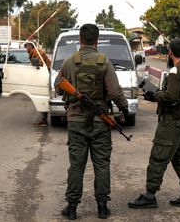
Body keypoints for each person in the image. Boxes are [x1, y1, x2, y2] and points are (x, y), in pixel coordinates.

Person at [55, 24, 129, 220]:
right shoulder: (104, 62)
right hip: (100, 122)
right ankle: (102, 207)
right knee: (102, 164)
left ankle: (71, 208)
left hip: (76, 121)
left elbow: (58, 87)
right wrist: (124, 108)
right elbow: (114, 92)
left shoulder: (70, 62)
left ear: (80, 39)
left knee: (76, 165)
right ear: (97, 40)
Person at [128, 39, 180, 209]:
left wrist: (155, 96)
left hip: (172, 121)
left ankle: (149, 196)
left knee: (158, 156)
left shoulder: (176, 71)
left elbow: (171, 97)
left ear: (170, 53)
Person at [25, 41, 52, 127]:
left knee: (42, 96)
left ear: (31, 46)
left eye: (27, 46)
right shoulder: (34, 52)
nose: (26, 49)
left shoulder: (37, 52)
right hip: (45, 74)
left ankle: (44, 120)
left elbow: (40, 63)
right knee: (42, 96)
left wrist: (33, 63)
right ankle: (43, 119)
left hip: (46, 75)